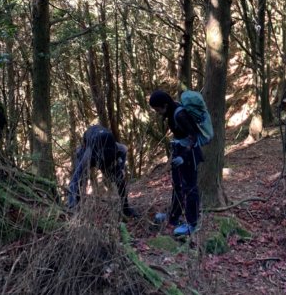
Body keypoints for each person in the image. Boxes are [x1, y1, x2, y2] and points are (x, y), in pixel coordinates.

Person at [149, 90, 204, 236]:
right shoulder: (172, 111)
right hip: (179, 151)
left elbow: (194, 136)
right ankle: (173, 216)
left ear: (165, 105)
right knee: (177, 186)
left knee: (190, 188)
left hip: (189, 155)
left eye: (158, 109)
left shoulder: (179, 114)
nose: (158, 112)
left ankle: (192, 224)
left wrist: (184, 156)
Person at [67, 124, 137, 217]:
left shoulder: (116, 148)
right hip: (90, 148)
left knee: (120, 178)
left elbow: (124, 149)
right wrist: (71, 206)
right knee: (80, 179)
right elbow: (74, 181)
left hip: (106, 152)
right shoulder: (88, 156)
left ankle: (126, 209)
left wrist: (121, 167)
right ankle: (74, 209)